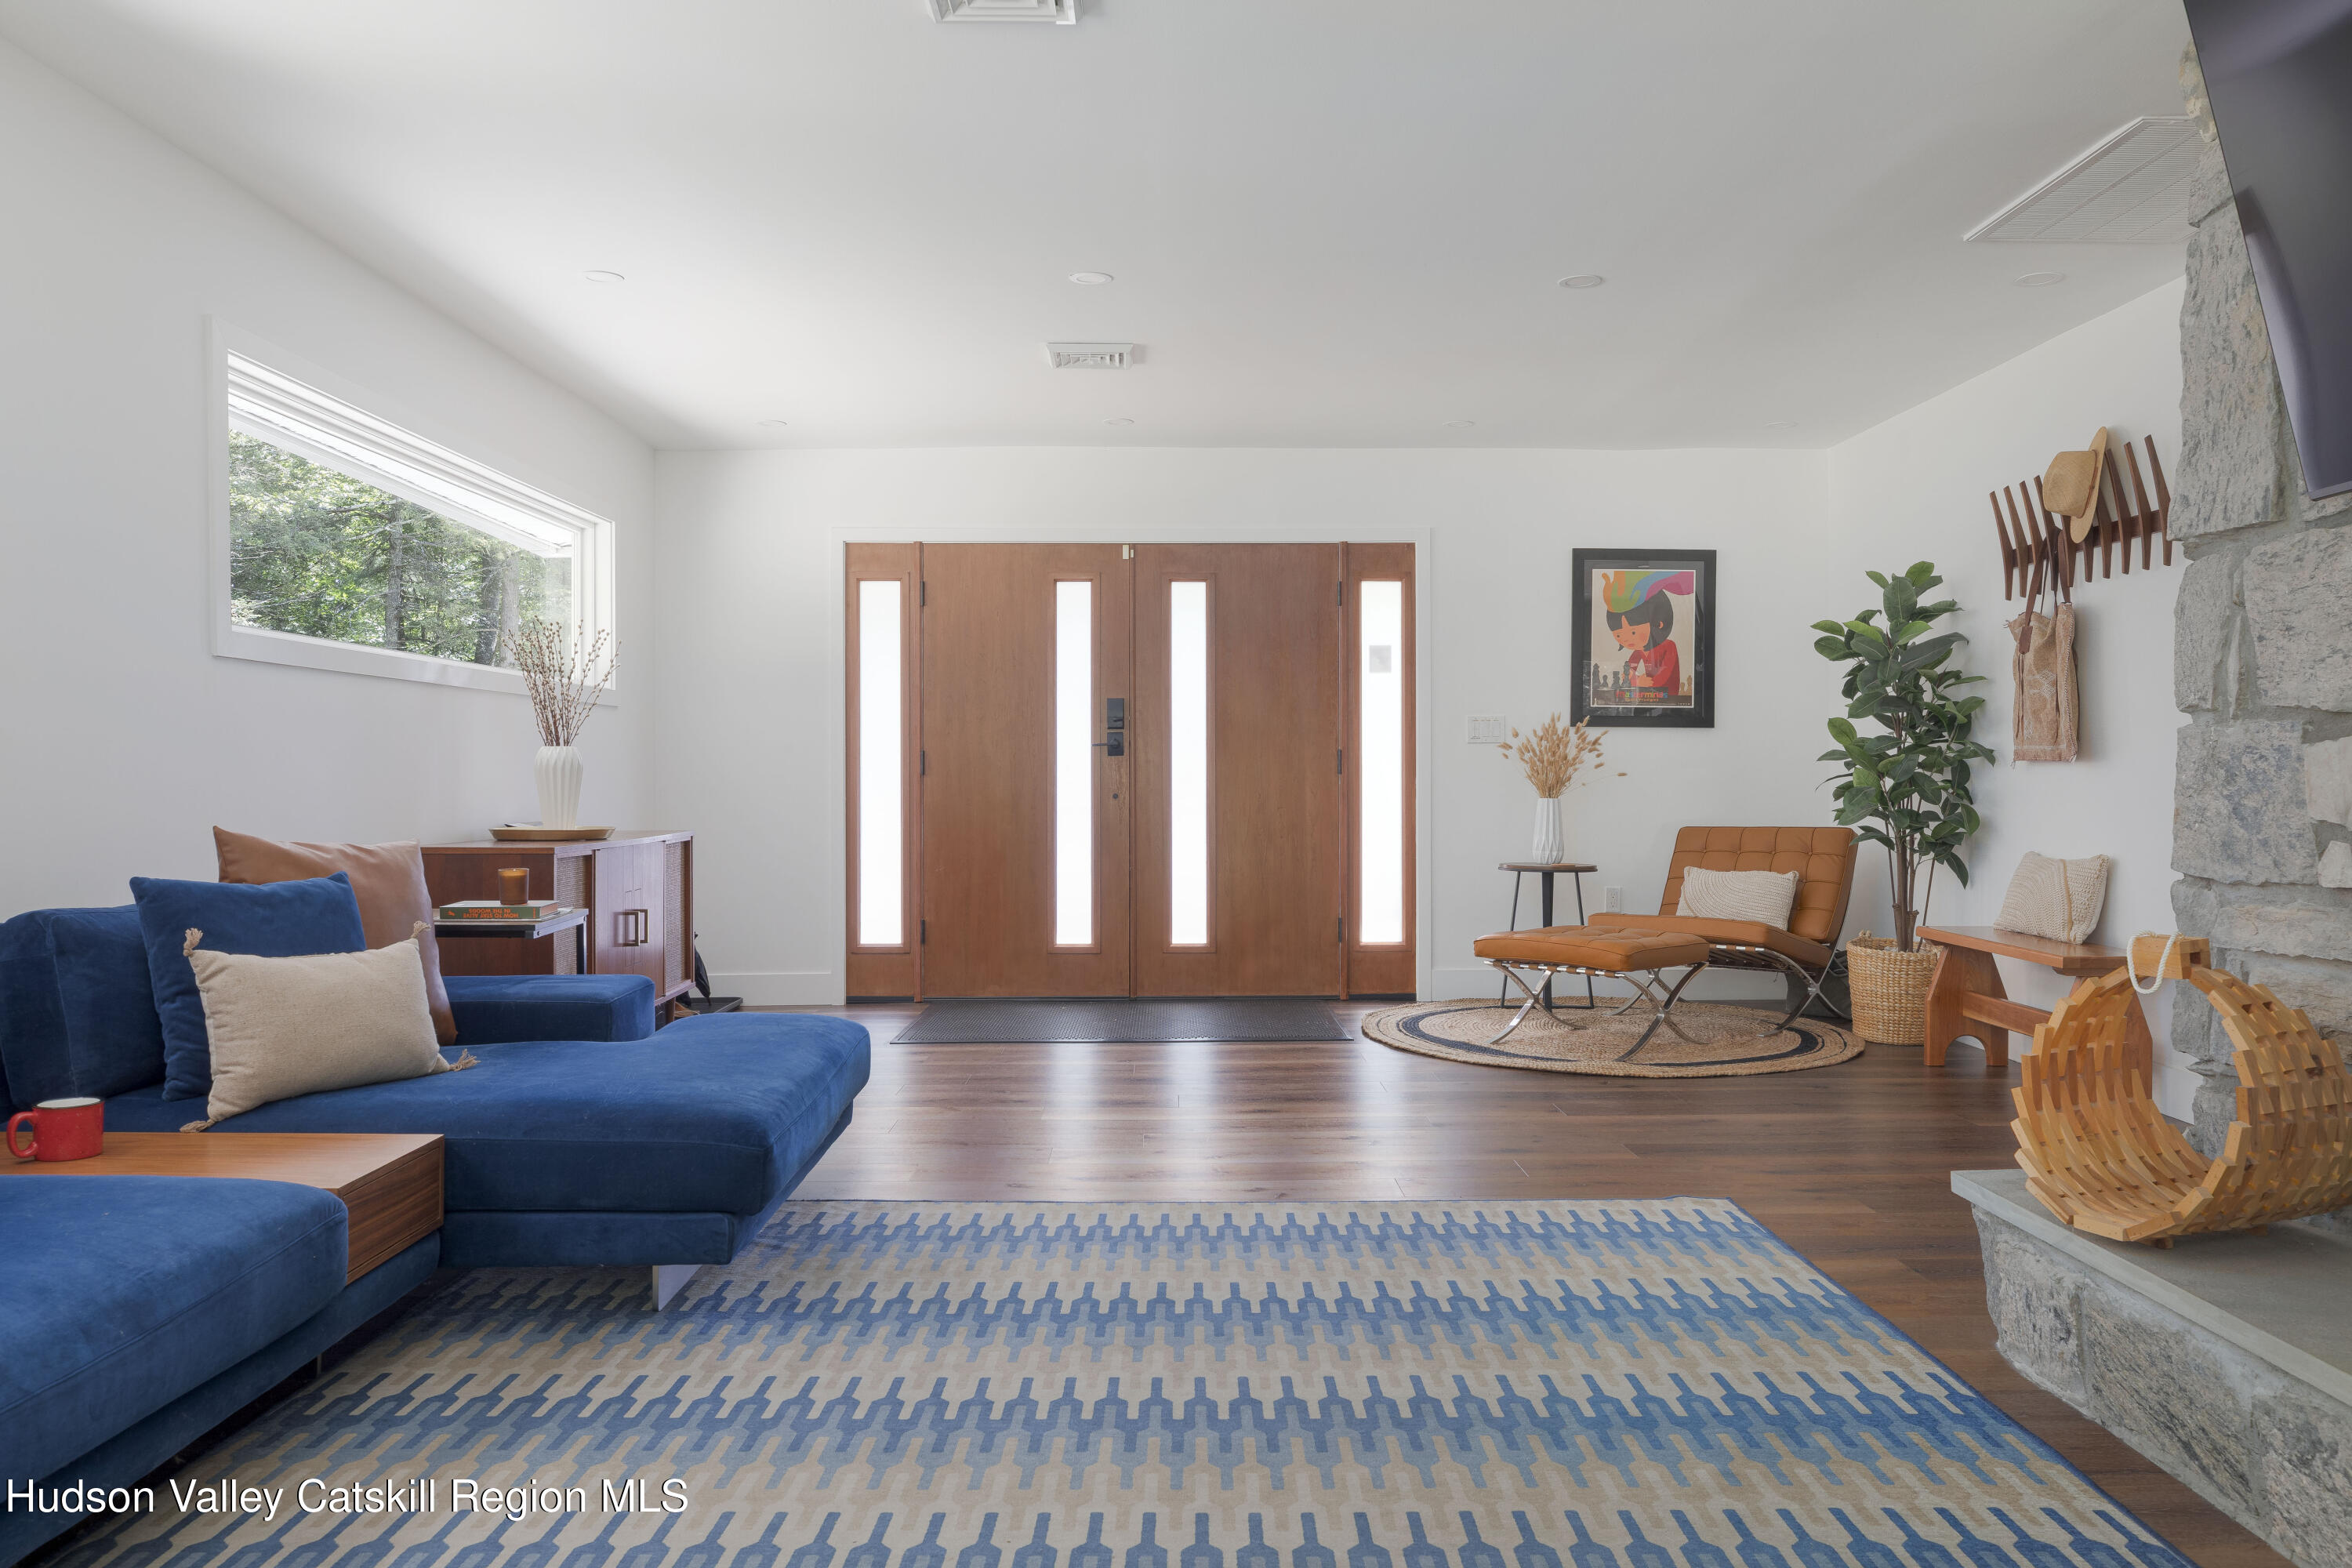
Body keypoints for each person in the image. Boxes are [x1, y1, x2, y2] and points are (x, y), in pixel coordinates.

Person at [1599, 568, 1695, 702]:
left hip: (1667, 696)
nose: (1626, 639)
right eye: (1619, 636)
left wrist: (1640, 681)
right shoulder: (1639, 651)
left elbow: (1662, 676)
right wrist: (1632, 678)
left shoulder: (1669, 646)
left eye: (1633, 632)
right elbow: (1629, 670)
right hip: (1649, 695)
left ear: (1658, 623)